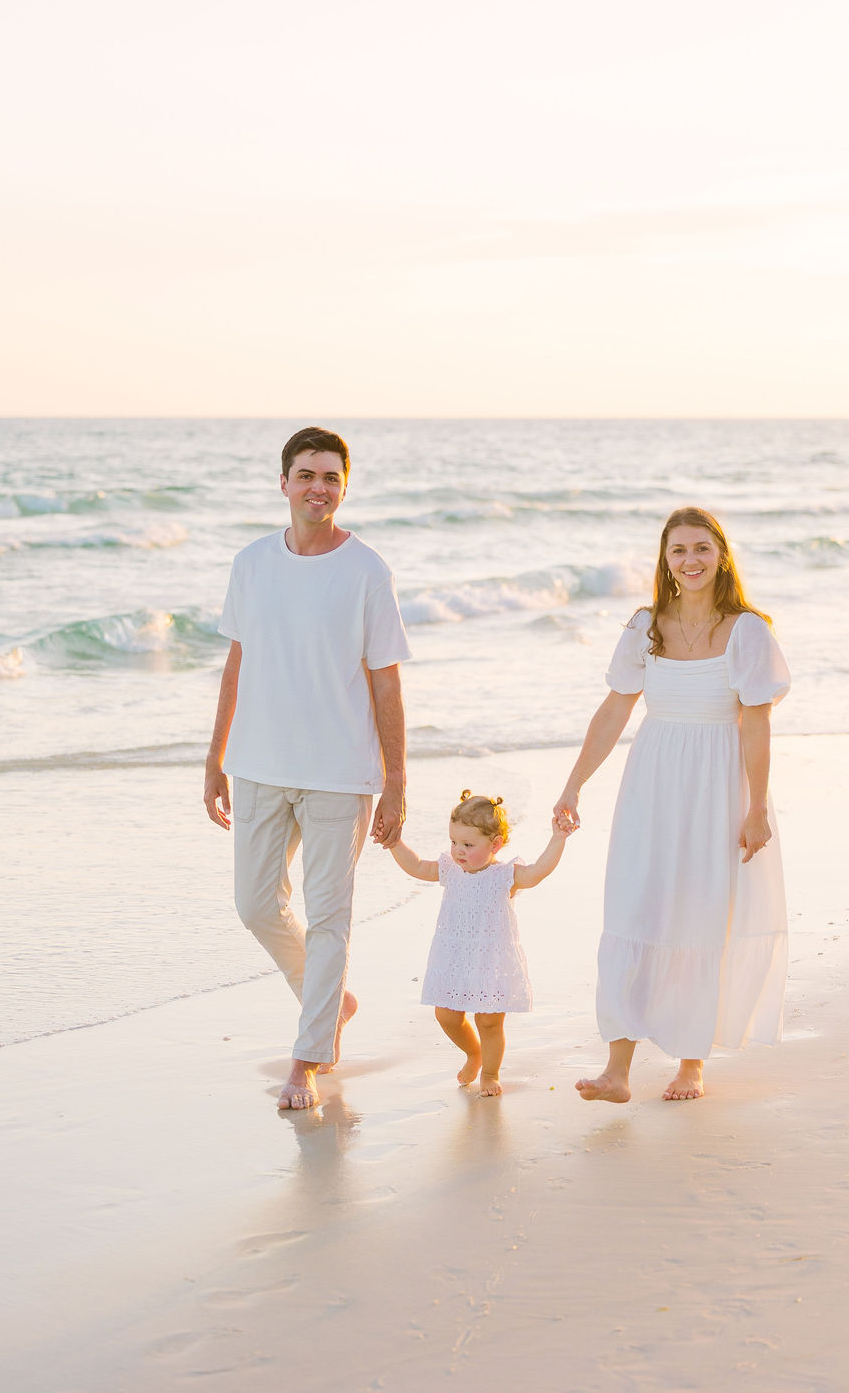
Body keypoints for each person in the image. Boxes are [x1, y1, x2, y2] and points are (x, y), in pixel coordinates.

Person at [204, 427, 411, 1112]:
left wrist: (396, 782)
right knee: (256, 904)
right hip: (259, 763)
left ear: (343, 488)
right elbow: (237, 663)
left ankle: (309, 1055)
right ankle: (331, 1003)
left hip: (340, 772)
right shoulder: (252, 563)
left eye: (330, 477)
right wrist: (215, 758)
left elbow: (385, 682)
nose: (317, 487)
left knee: (329, 917)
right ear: (284, 483)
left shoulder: (367, 572)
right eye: (306, 474)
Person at [554, 506, 790, 1103]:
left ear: (722, 556)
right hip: (652, 782)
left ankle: (692, 1062)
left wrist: (756, 807)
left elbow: (756, 725)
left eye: (702, 549)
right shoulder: (644, 625)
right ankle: (617, 1069)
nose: (691, 560)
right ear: (664, 558)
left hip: (719, 784)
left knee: (701, 914)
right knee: (636, 907)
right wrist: (573, 783)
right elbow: (614, 711)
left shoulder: (747, 630)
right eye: (679, 549)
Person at [388, 791, 568, 1097]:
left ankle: (490, 1072)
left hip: (491, 961)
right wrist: (394, 843)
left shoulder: (504, 876)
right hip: (453, 958)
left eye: (468, 845)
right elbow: (417, 866)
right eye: (454, 841)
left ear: (494, 845)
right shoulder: (450, 869)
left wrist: (558, 838)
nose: (458, 850)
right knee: (446, 1015)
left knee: (489, 1023)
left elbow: (538, 872)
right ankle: (473, 1053)